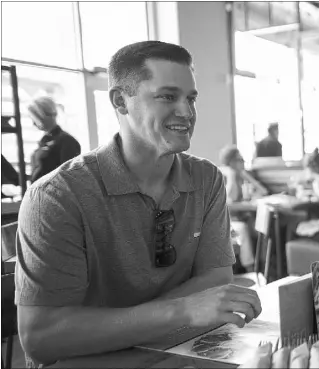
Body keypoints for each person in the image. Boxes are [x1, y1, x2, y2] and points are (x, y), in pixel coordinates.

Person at [15, 41, 262, 366]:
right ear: (121, 101)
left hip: (178, 351)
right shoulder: (57, 196)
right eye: (167, 96)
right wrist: (183, 309)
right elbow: (41, 338)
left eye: (191, 98)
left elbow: (216, 281)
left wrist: (119, 323)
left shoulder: (206, 179)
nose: (187, 112)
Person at [218, 144, 269, 272]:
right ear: (231, 162)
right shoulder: (227, 176)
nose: (243, 162)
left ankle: (263, 267)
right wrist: (249, 205)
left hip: (239, 217)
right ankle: (251, 269)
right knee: (244, 229)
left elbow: (263, 191)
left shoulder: (238, 175)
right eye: (240, 160)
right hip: (225, 220)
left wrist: (245, 175)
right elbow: (226, 204)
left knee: (262, 229)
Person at [27, 96, 81, 182]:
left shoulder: (67, 141)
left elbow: (70, 176)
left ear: (48, 115)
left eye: (36, 118)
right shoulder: (43, 141)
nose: (33, 123)